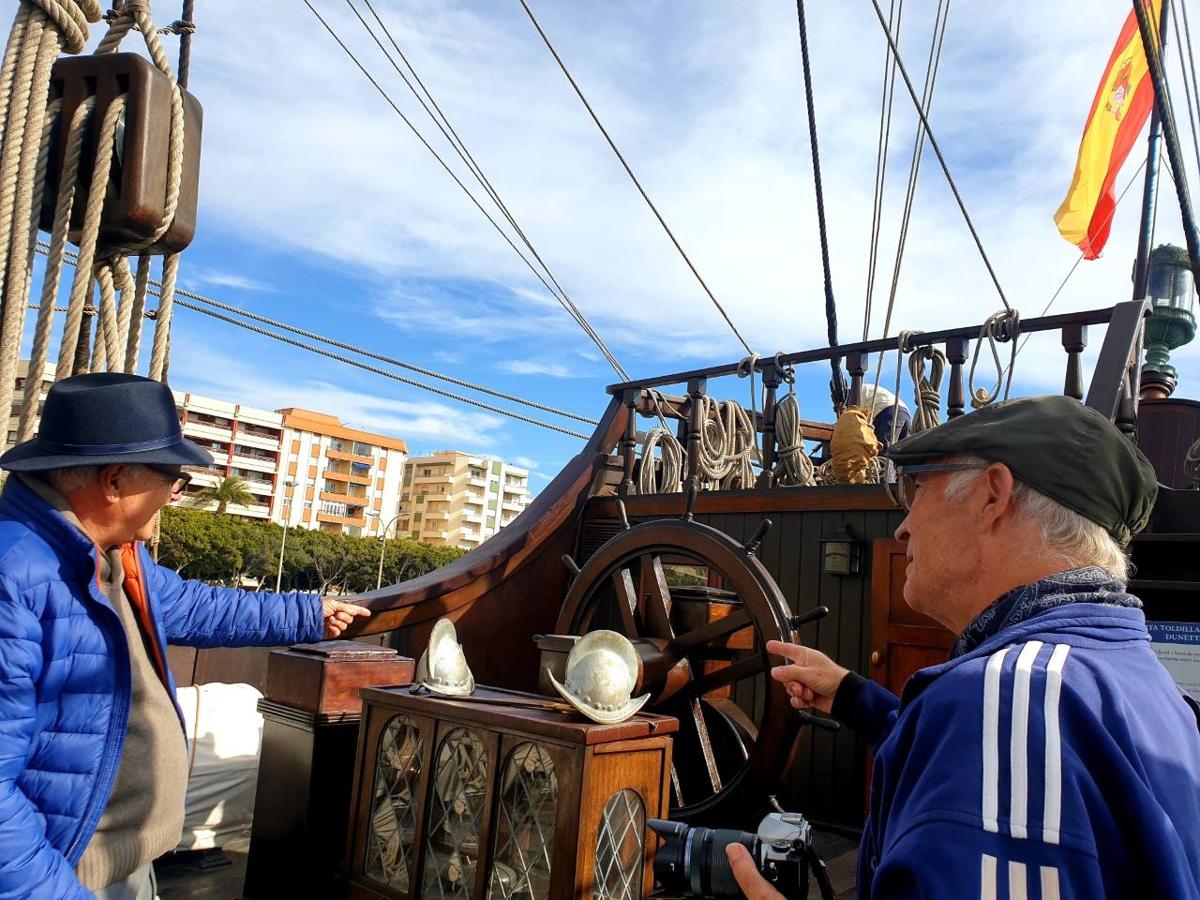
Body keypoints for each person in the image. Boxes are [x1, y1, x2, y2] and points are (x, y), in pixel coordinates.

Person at [730, 395, 1200, 899]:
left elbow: (1007, 744)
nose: (902, 526)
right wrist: (852, 696)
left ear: (992, 495)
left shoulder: (1012, 697)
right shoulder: (1145, 686)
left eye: (916, 489)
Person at [0, 373, 371, 899]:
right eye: (174, 477)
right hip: (65, 872)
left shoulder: (113, 555)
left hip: (122, 861)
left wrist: (311, 613)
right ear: (114, 482)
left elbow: (196, 606)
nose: (176, 493)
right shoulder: (14, 574)